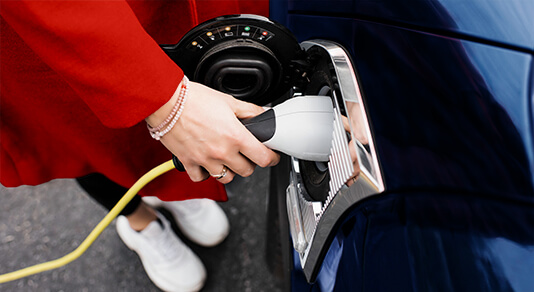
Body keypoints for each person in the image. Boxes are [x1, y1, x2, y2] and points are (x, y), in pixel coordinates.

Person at [0, 1, 277, 291]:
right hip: (40, 34)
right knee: (83, 141)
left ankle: (175, 194)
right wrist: (167, 103)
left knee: (169, 125)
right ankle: (141, 223)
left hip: (146, 10)